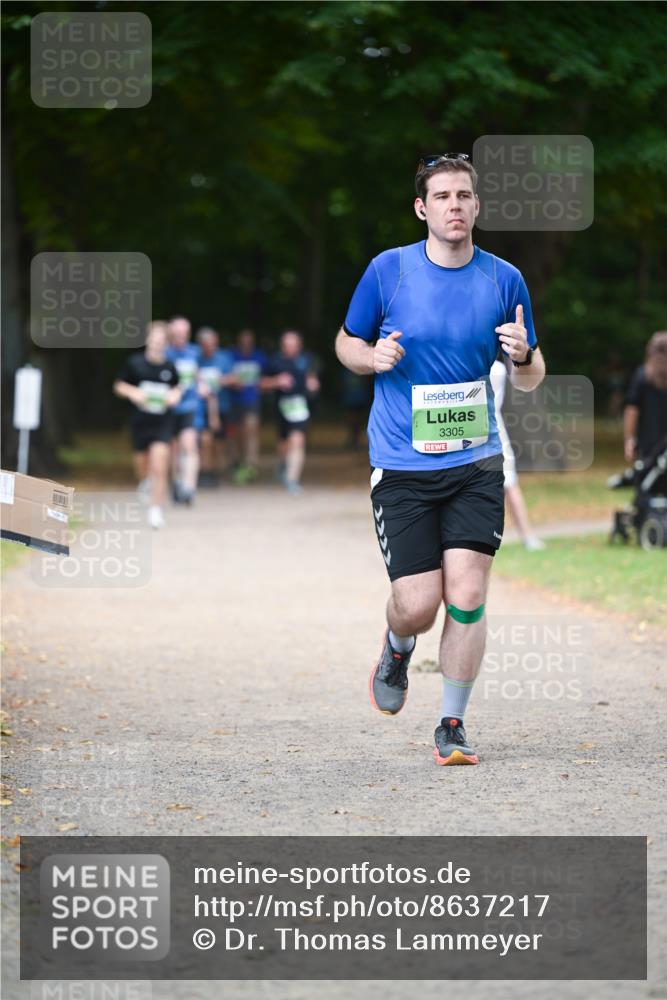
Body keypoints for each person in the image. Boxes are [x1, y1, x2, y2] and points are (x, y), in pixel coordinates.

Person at [335, 153, 546, 766]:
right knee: (418, 603)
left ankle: (452, 722)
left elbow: (531, 377)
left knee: (469, 590)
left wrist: (525, 354)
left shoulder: (504, 279)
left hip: (476, 462)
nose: (455, 205)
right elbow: (346, 341)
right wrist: (369, 358)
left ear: (477, 206)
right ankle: (398, 646)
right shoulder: (387, 272)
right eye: (443, 196)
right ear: (423, 208)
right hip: (402, 464)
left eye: (465, 195)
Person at [113, 321, 181, 529]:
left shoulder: (169, 367)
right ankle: (145, 482)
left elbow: (177, 387)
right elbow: (118, 385)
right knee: (142, 466)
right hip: (140, 423)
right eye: (155, 338)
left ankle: (155, 510)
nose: (158, 343)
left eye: (162, 340)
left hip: (162, 423)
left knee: (160, 465)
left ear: (166, 343)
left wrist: (174, 396)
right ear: (147, 340)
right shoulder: (135, 363)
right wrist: (132, 392)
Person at [489, 358, 545, 551]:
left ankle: (527, 535)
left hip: (493, 431)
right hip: (486, 432)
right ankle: (526, 536)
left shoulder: (496, 369)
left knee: (510, 484)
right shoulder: (498, 368)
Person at [262, 330, 320, 494]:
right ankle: (283, 465)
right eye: (287, 345)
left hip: (301, 407)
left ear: (299, 346)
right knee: (284, 444)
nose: (290, 348)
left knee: (298, 440)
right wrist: (276, 381)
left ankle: (292, 479)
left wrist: (313, 383)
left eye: (293, 345)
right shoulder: (275, 361)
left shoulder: (306, 360)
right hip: (281, 407)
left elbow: (312, 378)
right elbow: (261, 384)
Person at [194, 327, 237, 486]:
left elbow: (237, 380)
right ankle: (206, 471)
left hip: (223, 406)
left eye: (213, 344)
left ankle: (218, 468)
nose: (210, 347)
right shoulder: (195, 358)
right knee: (205, 440)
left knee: (220, 441)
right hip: (201, 408)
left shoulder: (224, 358)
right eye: (206, 344)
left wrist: (221, 381)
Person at [166, 316, 200, 504]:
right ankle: (177, 483)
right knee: (173, 449)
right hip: (170, 408)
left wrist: (201, 385)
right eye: (177, 333)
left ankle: (189, 488)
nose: (180, 336)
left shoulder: (195, 352)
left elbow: (199, 374)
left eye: (184, 333)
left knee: (189, 444)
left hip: (189, 406)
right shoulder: (165, 353)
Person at [229, 329, 267, 483]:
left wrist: (262, 384)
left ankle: (252, 464)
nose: (246, 343)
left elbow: (265, 376)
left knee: (251, 431)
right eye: (243, 340)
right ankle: (238, 462)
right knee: (237, 434)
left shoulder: (259, 356)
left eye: (249, 340)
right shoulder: (231, 355)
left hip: (252, 400)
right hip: (234, 401)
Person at [624, 330, 667, 464]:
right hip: (649, 445)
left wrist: (630, 439)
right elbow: (632, 409)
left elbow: (632, 409)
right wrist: (630, 439)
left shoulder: (642, 375)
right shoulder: (642, 377)